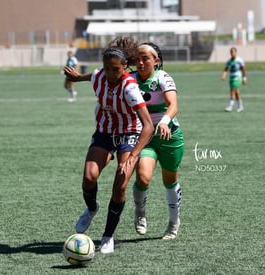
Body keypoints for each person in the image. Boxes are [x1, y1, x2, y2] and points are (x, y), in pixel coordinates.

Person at [63, 37, 154, 254]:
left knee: (120, 184)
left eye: (116, 69)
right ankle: (92, 209)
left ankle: (107, 236)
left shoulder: (130, 88)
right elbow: (91, 76)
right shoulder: (99, 75)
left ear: (125, 67)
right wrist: (77, 77)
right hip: (104, 132)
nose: (111, 73)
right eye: (107, 68)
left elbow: (148, 125)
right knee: (89, 176)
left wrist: (133, 156)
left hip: (129, 134)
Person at [131, 42, 184, 240]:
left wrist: (163, 121)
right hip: (146, 137)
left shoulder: (163, 77)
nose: (141, 62)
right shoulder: (131, 79)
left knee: (170, 181)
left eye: (146, 58)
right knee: (143, 177)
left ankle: (173, 223)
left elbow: (173, 105)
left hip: (169, 135)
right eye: (138, 59)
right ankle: (140, 213)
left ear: (156, 61)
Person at [221, 47, 247, 112]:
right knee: (236, 92)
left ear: (236, 52)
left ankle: (230, 106)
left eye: (233, 52)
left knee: (232, 91)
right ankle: (240, 106)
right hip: (231, 78)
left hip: (238, 77)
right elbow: (226, 69)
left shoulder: (239, 60)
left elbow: (243, 70)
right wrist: (224, 75)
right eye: (231, 52)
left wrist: (244, 78)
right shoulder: (229, 61)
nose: (232, 53)